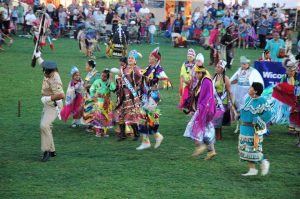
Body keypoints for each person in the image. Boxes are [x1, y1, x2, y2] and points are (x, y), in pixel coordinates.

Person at [136, 47, 169, 150]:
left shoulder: (159, 70)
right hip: (146, 95)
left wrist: (157, 87)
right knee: (144, 118)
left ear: (156, 59)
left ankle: (153, 138)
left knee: (148, 118)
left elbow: (166, 83)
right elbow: (143, 77)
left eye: (151, 56)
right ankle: (152, 139)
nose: (149, 57)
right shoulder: (149, 67)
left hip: (153, 97)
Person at [35, 51, 65, 162]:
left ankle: (46, 151)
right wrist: (38, 56)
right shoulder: (48, 71)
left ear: (50, 71)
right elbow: (42, 63)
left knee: (44, 125)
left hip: (54, 105)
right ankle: (52, 150)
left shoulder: (55, 79)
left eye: (45, 71)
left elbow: (62, 95)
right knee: (47, 127)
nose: (43, 72)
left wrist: (47, 98)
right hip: (47, 104)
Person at [183, 64, 217, 160]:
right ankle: (211, 151)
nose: (196, 75)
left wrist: (201, 110)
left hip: (205, 109)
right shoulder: (203, 80)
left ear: (201, 73)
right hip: (206, 109)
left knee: (193, 126)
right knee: (206, 130)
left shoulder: (206, 81)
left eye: (197, 73)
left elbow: (208, 97)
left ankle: (200, 146)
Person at [238, 82, 272, 176]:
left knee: (254, 148)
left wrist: (257, 120)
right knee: (246, 149)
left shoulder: (262, 101)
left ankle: (264, 162)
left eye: (251, 88)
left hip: (254, 128)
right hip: (244, 127)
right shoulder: (248, 98)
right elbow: (245, 111)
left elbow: (268, 114)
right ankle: (252, 170)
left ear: (255, 91)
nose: (249, 89)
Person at [115, 51, 142, 141]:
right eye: (129, 58)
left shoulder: (137, 69)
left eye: (132, 58)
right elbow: (119, 79)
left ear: (135, 61)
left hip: (131, 95)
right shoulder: (123, 69)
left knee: (131, 114)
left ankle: (136, 134)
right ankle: (122, 135)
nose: (130, 59)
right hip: (122, 93)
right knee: (120, 113)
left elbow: (141, 80)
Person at [273, 58, 300, 146]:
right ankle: (292, 129)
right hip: (289, 98)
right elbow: (281, 87)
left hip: (298, 98)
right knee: (291, 113)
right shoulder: (284, 77)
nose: (291, 72)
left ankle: (297, 130)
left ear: (295, 70)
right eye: (289, 71)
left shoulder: (298, 76)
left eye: (292, 71)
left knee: (296, 113)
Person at [90, 69, 116, 137]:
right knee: (98, 117)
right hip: (98, 103)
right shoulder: (97, 81)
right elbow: (91, 89)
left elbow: (113, 88)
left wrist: (111, 79)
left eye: (104, 76)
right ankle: (98, 132)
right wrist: (93, 96)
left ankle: (104, 132)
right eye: (102, 76)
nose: (102, 77)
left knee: (106, 117)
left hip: (106, 103)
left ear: (107, 77)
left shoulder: (109, 83)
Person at [212, 60, 232, 140]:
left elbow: (229, 91)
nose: (216, 68)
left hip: (223, 102)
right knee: (215, 120)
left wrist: (230, 103)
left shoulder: (225, 78)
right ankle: (217, 136)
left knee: (217, 120)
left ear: (222, 69)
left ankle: (219, 136)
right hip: (215, 101)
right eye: (216, 66)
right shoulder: (215, 77)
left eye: (218, 67)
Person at [83, 60, 101, 132]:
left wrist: (89, 85)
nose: (85, 67)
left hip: (93, 96)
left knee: (93, 110)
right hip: (88, 94)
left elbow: (98, 84)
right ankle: (91, 125)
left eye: (86, 65)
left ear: (90, 67)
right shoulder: (89, 73)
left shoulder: (96, 74)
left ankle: (94, 126)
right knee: (89, 110)